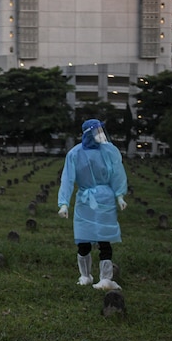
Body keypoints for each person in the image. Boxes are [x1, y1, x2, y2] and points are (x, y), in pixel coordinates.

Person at [57, 119, 128, 290]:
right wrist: (64, 203)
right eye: (97, 131)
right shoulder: (75, 154)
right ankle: (85, 275)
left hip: (105, 199)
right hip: (85, 199)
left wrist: (120, 195)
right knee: (83, 239)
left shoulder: (109, 151)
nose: (101, 135)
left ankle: (106, 278)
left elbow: (117, 173)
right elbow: (67, 179)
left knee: (104, 239)